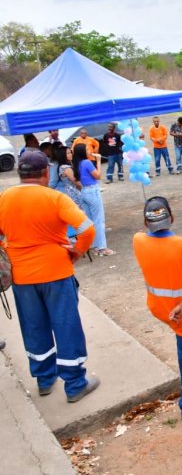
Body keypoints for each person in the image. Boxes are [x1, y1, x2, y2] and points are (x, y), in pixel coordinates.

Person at [0, 151, 99, 402]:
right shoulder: (55, 197)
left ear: (20, 174)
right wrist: (77, 251)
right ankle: (75, 384)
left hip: (21, 277)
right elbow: (87, 228)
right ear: (46, 172)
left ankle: (45, 380)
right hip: (56, 271)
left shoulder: (5, 197)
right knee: (66, 325)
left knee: (34, 327)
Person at [133, 197, 182, 421]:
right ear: (172, 218)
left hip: (157, 307)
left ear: (145, 222)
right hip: (180, 312)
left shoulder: (138, 240)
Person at [72, 144, 115, 256]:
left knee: (91, 221)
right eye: (86, 149)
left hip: (84, 192)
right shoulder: (86, 162)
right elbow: (98, 176)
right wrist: (99, 161)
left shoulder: (77, 164)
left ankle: (95, 246)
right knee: (99, 220)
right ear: (82, 152)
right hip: (92, 191)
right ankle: (102, 248)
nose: (89, 150)